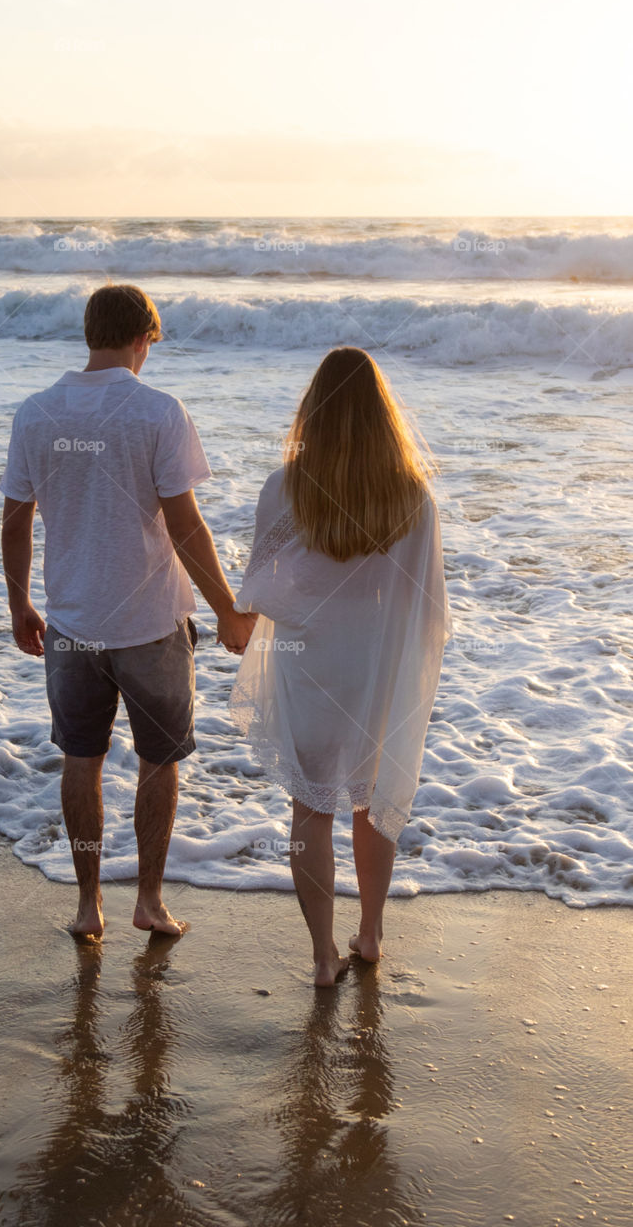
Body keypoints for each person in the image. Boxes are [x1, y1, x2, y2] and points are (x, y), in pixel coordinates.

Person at [0, 283, 256, 940]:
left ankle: (88, 906)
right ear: (143, 337)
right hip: (151, 627)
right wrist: (227, 610)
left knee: (81, 763)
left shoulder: (35, 413)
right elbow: (186, 527)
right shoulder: (158, 412)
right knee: (157, 763)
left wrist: (19, 602)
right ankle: (148, 900)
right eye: (152, 343)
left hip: (72, 625)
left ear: (90, 334)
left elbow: (14, 522)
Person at [230, 347, 451, 985]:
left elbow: (262, 586)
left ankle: (324, 956)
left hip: (311, 663)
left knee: (310, 808)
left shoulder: (287, 485)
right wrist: (397, 659)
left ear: (314, 410)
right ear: (384, 414)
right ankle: (372, 933)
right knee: (372, 801)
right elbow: (427, 605)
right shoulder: (412, 494)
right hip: (375, 668)